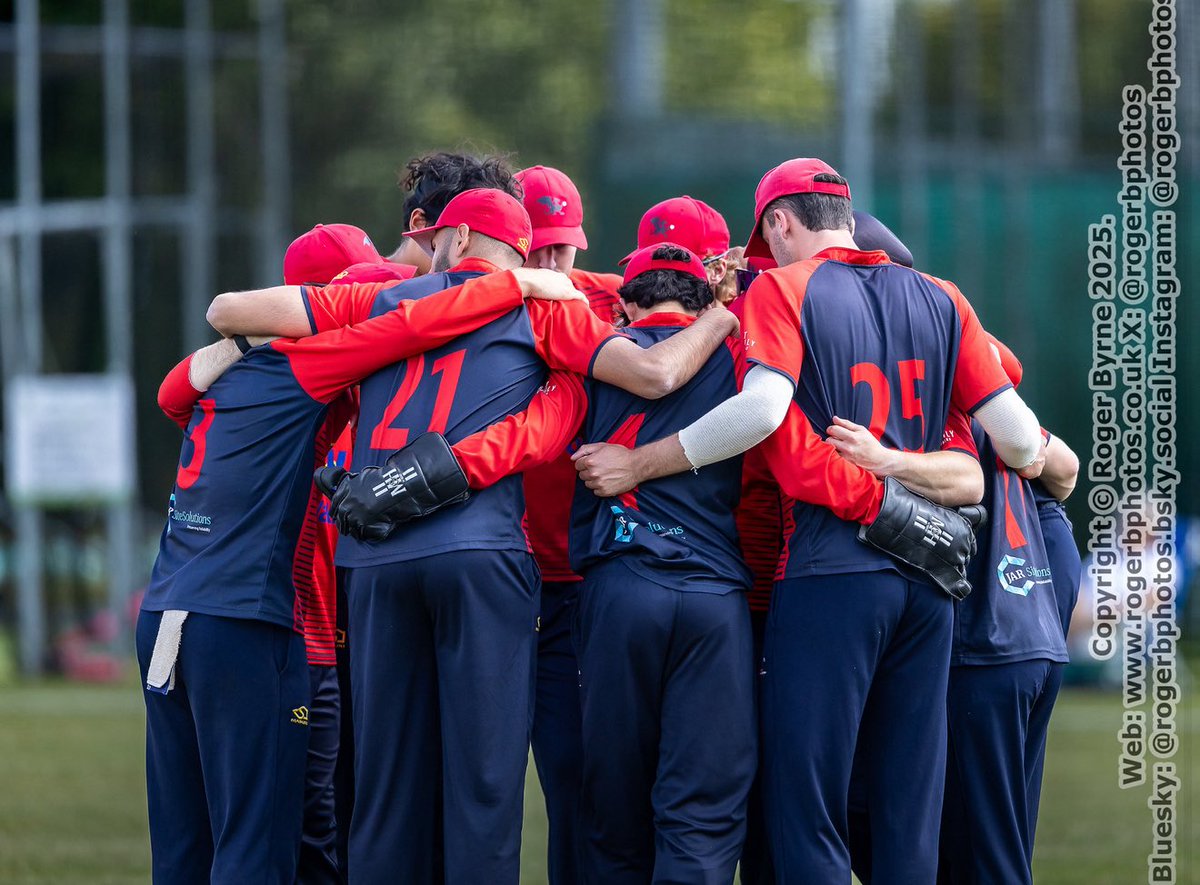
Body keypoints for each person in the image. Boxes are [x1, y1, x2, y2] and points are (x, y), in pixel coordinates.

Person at [214, 187, 738, 883]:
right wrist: (723, 312)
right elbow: (652, 373)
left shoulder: (388, 297)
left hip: (375, 557)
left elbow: (229, 310)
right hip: (477, 551)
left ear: (456, 240)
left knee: (386, 794)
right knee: (482, 789)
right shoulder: (545, 305)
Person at [572, 157, 1044, 882]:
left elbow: (761, 414)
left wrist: (640, 463)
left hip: (832, 570)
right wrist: (904, 468)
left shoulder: (784, 287)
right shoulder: (943, 295)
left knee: (808, 810)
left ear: (780, 222)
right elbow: (1017, 441)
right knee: (906, 807)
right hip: (927, 580)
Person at [139, 265, 579, 884]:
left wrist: (238, 344)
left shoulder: (222, 376)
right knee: (256, 846)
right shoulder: (310, 362)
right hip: (242, 621)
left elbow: (170, 394)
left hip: (165, 610)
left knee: (183, 845)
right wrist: (519, 285)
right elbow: (411, 327)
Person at [568, 244, 756, 883]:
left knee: (614, 809)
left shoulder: (595, 352)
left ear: (626, 302)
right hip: (715, 595)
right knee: (702, 813)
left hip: (621, 585)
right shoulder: (740, 356)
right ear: (702, 302)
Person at [512, 162, 620, 885]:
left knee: (580, 776)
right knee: (479, 777)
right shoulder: (476, 305)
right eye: (539, 246)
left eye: (564, 246)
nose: (553, 262)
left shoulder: (608, 297)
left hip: (580, 583)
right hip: (501, 575)